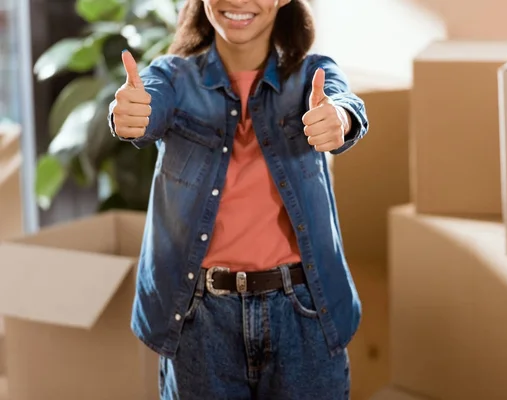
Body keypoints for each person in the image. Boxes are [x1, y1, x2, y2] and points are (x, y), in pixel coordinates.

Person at [108, 0, 369, 398]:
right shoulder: (170, 78)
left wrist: (338, 119)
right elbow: (145, 107)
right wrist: (129, 114)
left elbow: (346, 106)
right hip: (200, 320)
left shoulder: (312, 74)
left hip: (303, 313)